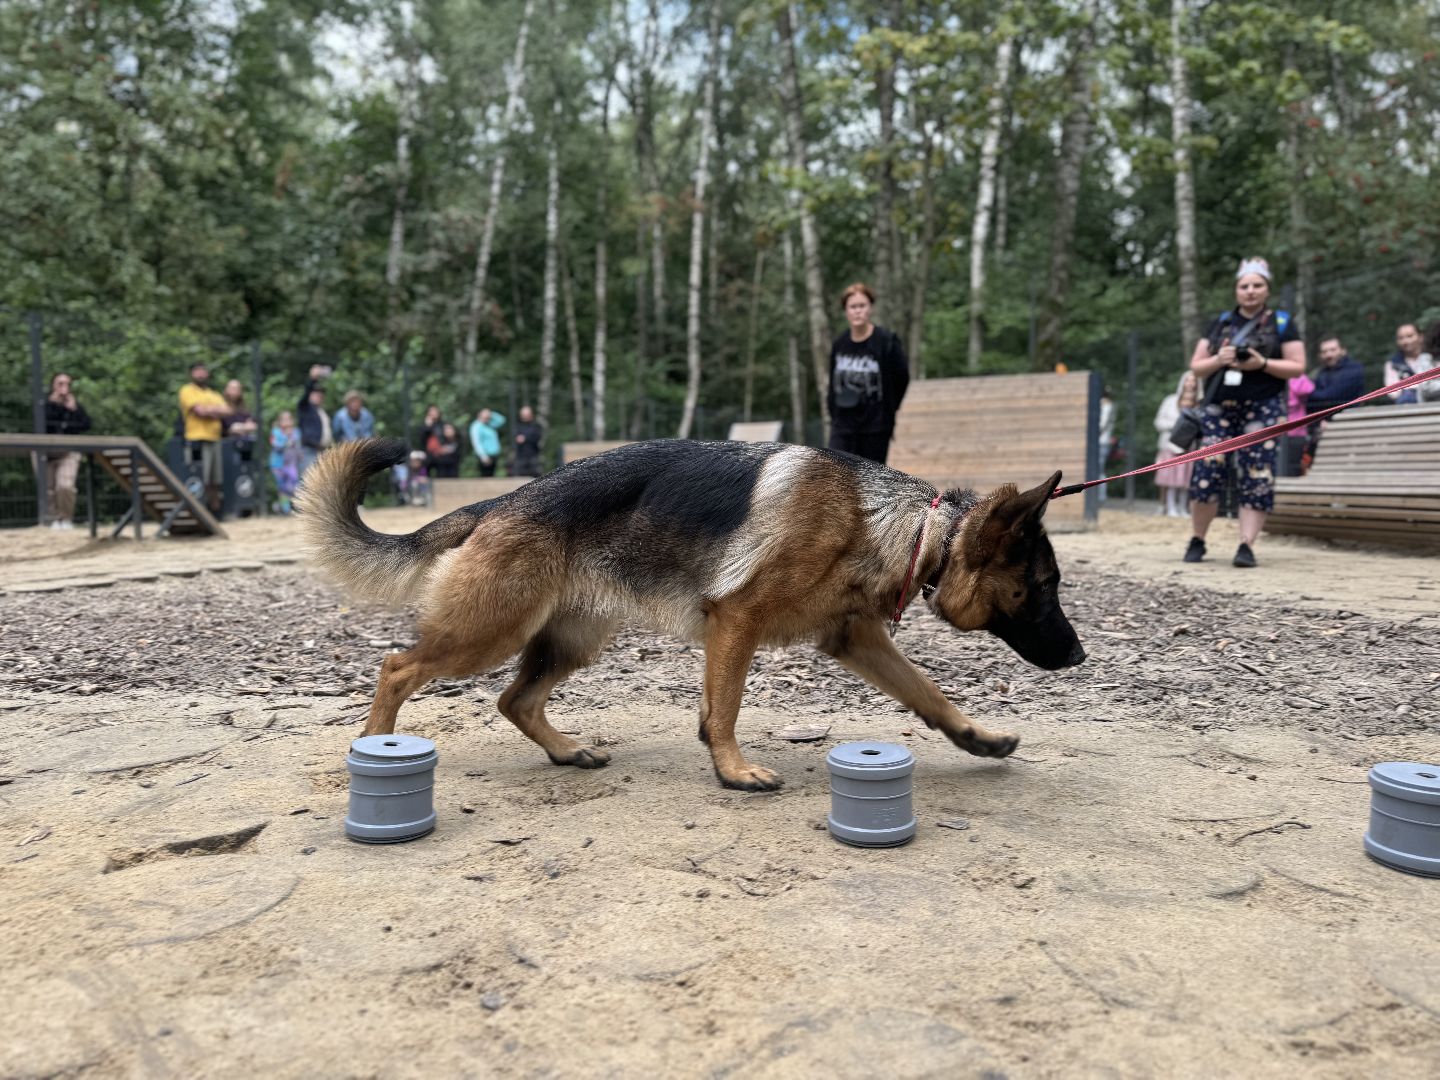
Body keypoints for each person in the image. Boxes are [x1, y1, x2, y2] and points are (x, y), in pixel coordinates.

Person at [1182, 256, 1304, 569]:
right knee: (1207, 471)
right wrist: (1219, 359)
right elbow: (1196, 366)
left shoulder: (1282, 323)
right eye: (1244, 285)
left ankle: (1246, 544)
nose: (1250, 291)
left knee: (1257, 474)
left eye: (1257, 285)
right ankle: (1197, 539)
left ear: (1267, 289)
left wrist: (1261, 364)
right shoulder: (1221, 323)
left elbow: (1297, 366)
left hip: (1263, 408)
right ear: (1236, 289)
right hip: (1219, 408)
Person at [826, 282, 909, 464]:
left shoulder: (886, 342)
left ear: (870, 308)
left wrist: (888, 409)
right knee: (835, 470)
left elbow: (902, 377)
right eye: (852, 307)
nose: (857, 311)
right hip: (843, 424)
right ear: (846, 311)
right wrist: (834, 413)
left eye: (862, 306)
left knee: (870, 475)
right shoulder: (840, 344)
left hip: (875, 425)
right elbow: (833, 384)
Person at [178, 362, 231, 515]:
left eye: (203, 371)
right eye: (197, 371)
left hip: (215, 439)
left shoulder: (213, 394)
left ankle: (215, 511)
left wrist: (209, 410)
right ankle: (197, 511)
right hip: (196, 439)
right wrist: (215, 410)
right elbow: (199, 411)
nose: (201, 374)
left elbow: (227, 411)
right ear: (191, 374)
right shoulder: (187, 390)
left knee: (215, 479)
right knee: (200, 477)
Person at [1305, 335, 1367, 463]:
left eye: (1333, 350)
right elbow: (1311, 403)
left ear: (1343, 350)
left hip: (1349, 426)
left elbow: (1332, 396)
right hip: (1322, 428)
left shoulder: (1355, 369)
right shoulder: (1321, 373)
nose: (1329, 354)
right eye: (1324, 352)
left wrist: (1310, 394)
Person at [42, 373, 91, 529]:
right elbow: (44, 425)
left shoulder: (74, 405)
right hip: (45, 453)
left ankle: (66, 518)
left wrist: (73, 409)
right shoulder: (45, 404)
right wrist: (55, 404)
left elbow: (86, 424)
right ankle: (52, 520)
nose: (64, 388)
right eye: (60, 384)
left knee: (65, 486)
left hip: (69, 452)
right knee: (48, 490)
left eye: (67, 384)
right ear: (53, 386)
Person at [1152, 371, 1197, 518]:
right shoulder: (1170, 401)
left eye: (1193, 381)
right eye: (1188, 380)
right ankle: (1170, 507)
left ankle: (1182, 508)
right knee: (1170, 479)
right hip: (1170, 445)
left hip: (1189, 447)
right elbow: (1158, 422)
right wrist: (1178, 426)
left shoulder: (1198, 403)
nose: (1190, 383)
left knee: (1185, 479)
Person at [1383, 323, 1437, 404]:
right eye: (1401, 338)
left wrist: (1409, 386)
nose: (1405, 341)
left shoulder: (1434, 359)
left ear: (1421, 337)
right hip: (1408, 407)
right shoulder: (1392, 364)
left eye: (1410, 336)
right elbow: (1393, 393)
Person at [297, 364, 333, 477]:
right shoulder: (305, 408)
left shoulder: (321, 411)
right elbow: (306, 392)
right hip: (309, 451)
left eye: (320, 394)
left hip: (323, 452)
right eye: (315, 393)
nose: (319, 396)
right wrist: (312, 379)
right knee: (310, 481)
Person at [268, 410, 302, 514]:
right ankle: (285, 508)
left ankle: (294, 506)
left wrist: (300, 454)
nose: (287, 422)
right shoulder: (275, 432)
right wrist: (286, 437)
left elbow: (297, 445)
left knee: (294, 483)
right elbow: (276, 446)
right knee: (282, 486)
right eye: (284, 420)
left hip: (291, 463)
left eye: (289, 419)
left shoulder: (296, 432)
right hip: (278, 464)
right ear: (279, 422)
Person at [221, 379, 259, 461]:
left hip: (245, 446)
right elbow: (232, 428)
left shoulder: (244, 409)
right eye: (233, 388)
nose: (236, 391)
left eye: (238, 388)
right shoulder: (221, 407)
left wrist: (239, 427)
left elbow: (253, 426)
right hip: (227, 448)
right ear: (226, 390)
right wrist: (244, 427)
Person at [469, 407, 506, 476]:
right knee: (485, 476)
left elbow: (502, 420)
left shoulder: (490, 424)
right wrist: (483, 455)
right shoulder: (476, 426)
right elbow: (476, 442)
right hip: (485, 455)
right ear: (479, 415)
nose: (486, 417)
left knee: (492, 476)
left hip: (494, 454)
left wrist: (491, 414)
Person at [513, 405, 544, 477]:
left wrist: (525, 438)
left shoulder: (536, 426)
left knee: (535, 476)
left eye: (526, 414)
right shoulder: (517, 426)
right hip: (520, 457)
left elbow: (537, 437)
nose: (525, 416)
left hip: (533, 456)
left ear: (531, 415)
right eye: (523, 415)